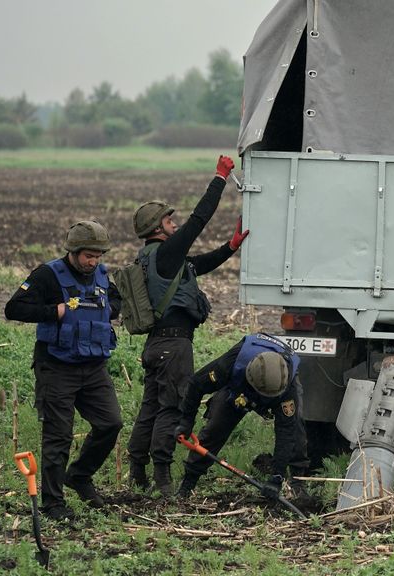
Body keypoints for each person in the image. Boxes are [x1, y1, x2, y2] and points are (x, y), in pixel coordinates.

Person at [126, 155, 249, 495]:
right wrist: (220, 177)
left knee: (150, 407)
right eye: (168, 220)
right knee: (173, 408)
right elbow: (199, 219)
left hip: (157, 346)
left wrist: (231, 247)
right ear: (155, 228)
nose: (174, 224)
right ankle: (163, 478)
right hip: (174, 347)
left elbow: (198, 265)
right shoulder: (164, 253)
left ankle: (138, 472)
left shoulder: (156, 260)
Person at [5, 221, 123, 521]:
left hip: (94, 366)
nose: (93, 261)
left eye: (98, 255)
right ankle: (53, 503)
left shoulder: (101, 274)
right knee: (59, 436)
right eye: (88, 255)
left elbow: (116, 300)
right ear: (73, 251)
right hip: (56, 367)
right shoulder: (47, 275)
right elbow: (14, 308)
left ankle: (80, 476)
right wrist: (52, 311)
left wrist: (109, 310)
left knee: (111, 423)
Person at [173, 333, 309, 501]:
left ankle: (297, 482)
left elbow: (286, 432)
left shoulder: (288, 388)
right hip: (240, 390)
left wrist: (276, 477)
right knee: (216, 428)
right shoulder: (229, 364)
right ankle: (188, 483)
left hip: (278, 391)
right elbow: (196, 384)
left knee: (296, 429)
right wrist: (186, 421)